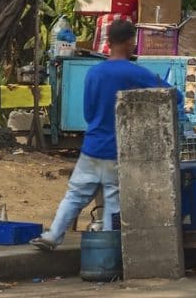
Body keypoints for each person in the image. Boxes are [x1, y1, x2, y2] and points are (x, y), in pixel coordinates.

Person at [30, 19, 165, 250]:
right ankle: (109, 248)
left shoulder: (93, 73)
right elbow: (172, 95)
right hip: (118, 149)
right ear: (130, 41)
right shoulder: (136, 73)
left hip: (92, 146)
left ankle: (52, 236)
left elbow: (88, 112)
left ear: (109, 42)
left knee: (74, 195)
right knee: (113, 199)